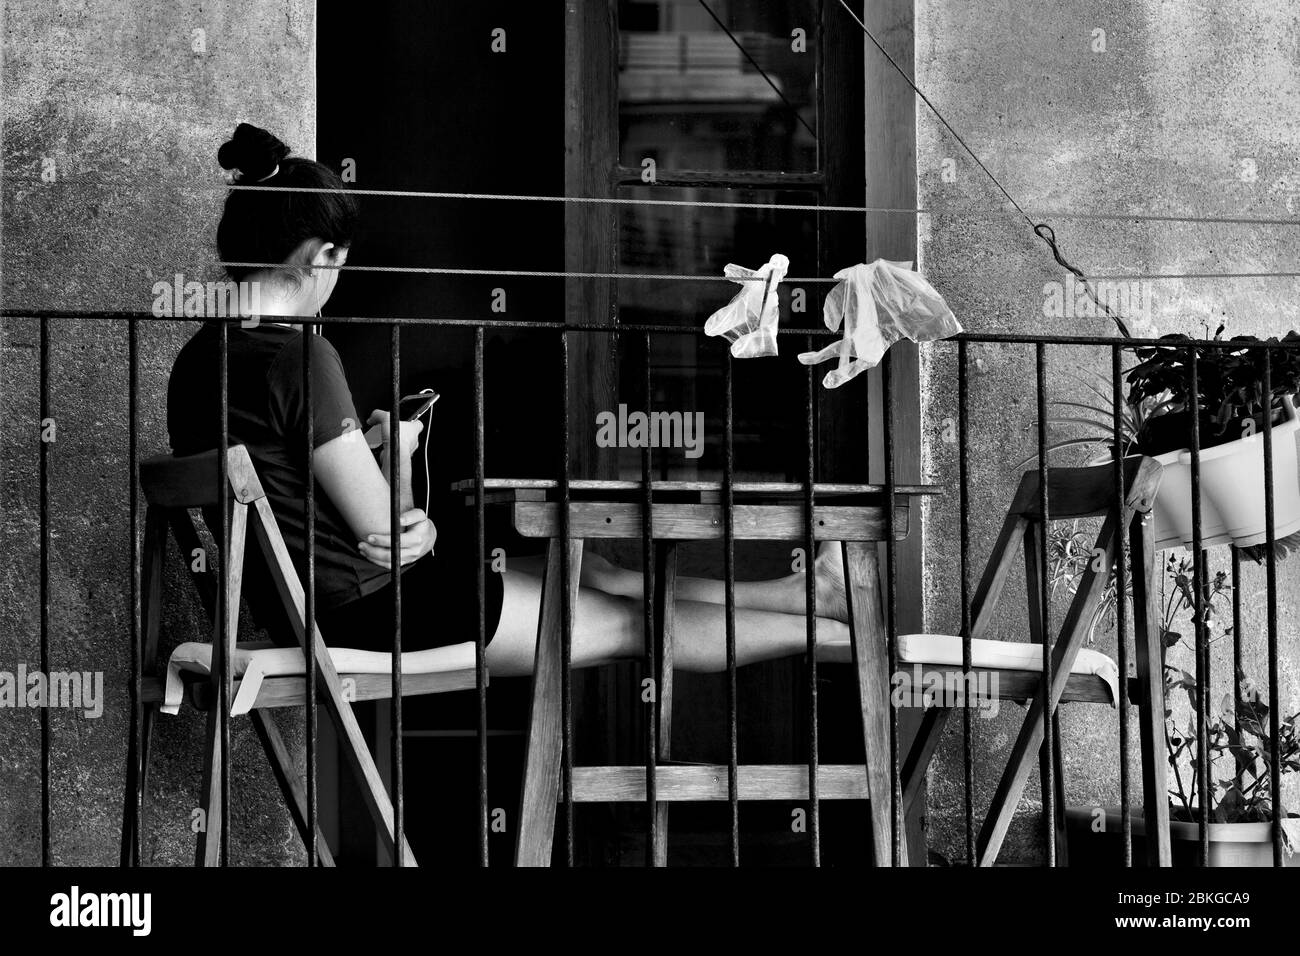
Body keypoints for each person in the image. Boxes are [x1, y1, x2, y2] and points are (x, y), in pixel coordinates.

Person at [167, 123, 854, 679]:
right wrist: (404, 464)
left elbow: (283, 486)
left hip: (297, 606)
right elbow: (393, 541)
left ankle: (799, 597)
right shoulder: (298, 353)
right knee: (628, 623)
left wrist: (371, 463)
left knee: (588, 571)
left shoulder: (197, 359)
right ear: (320, 255)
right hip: (366, 613)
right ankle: (844, 644)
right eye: (340, 268)